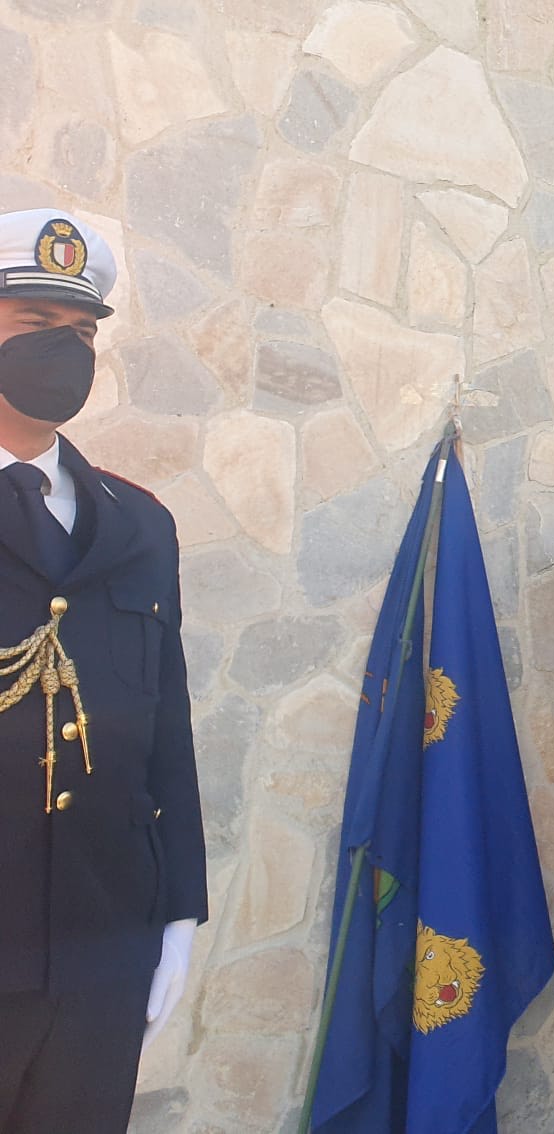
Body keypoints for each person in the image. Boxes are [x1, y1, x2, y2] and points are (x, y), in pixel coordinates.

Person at [0, 208, 206, 1131]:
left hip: (102, 950)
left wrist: (179, 913)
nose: (66, 351)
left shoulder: (139, 524)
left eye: (82, 333)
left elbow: (167, 733)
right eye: (37, 325)